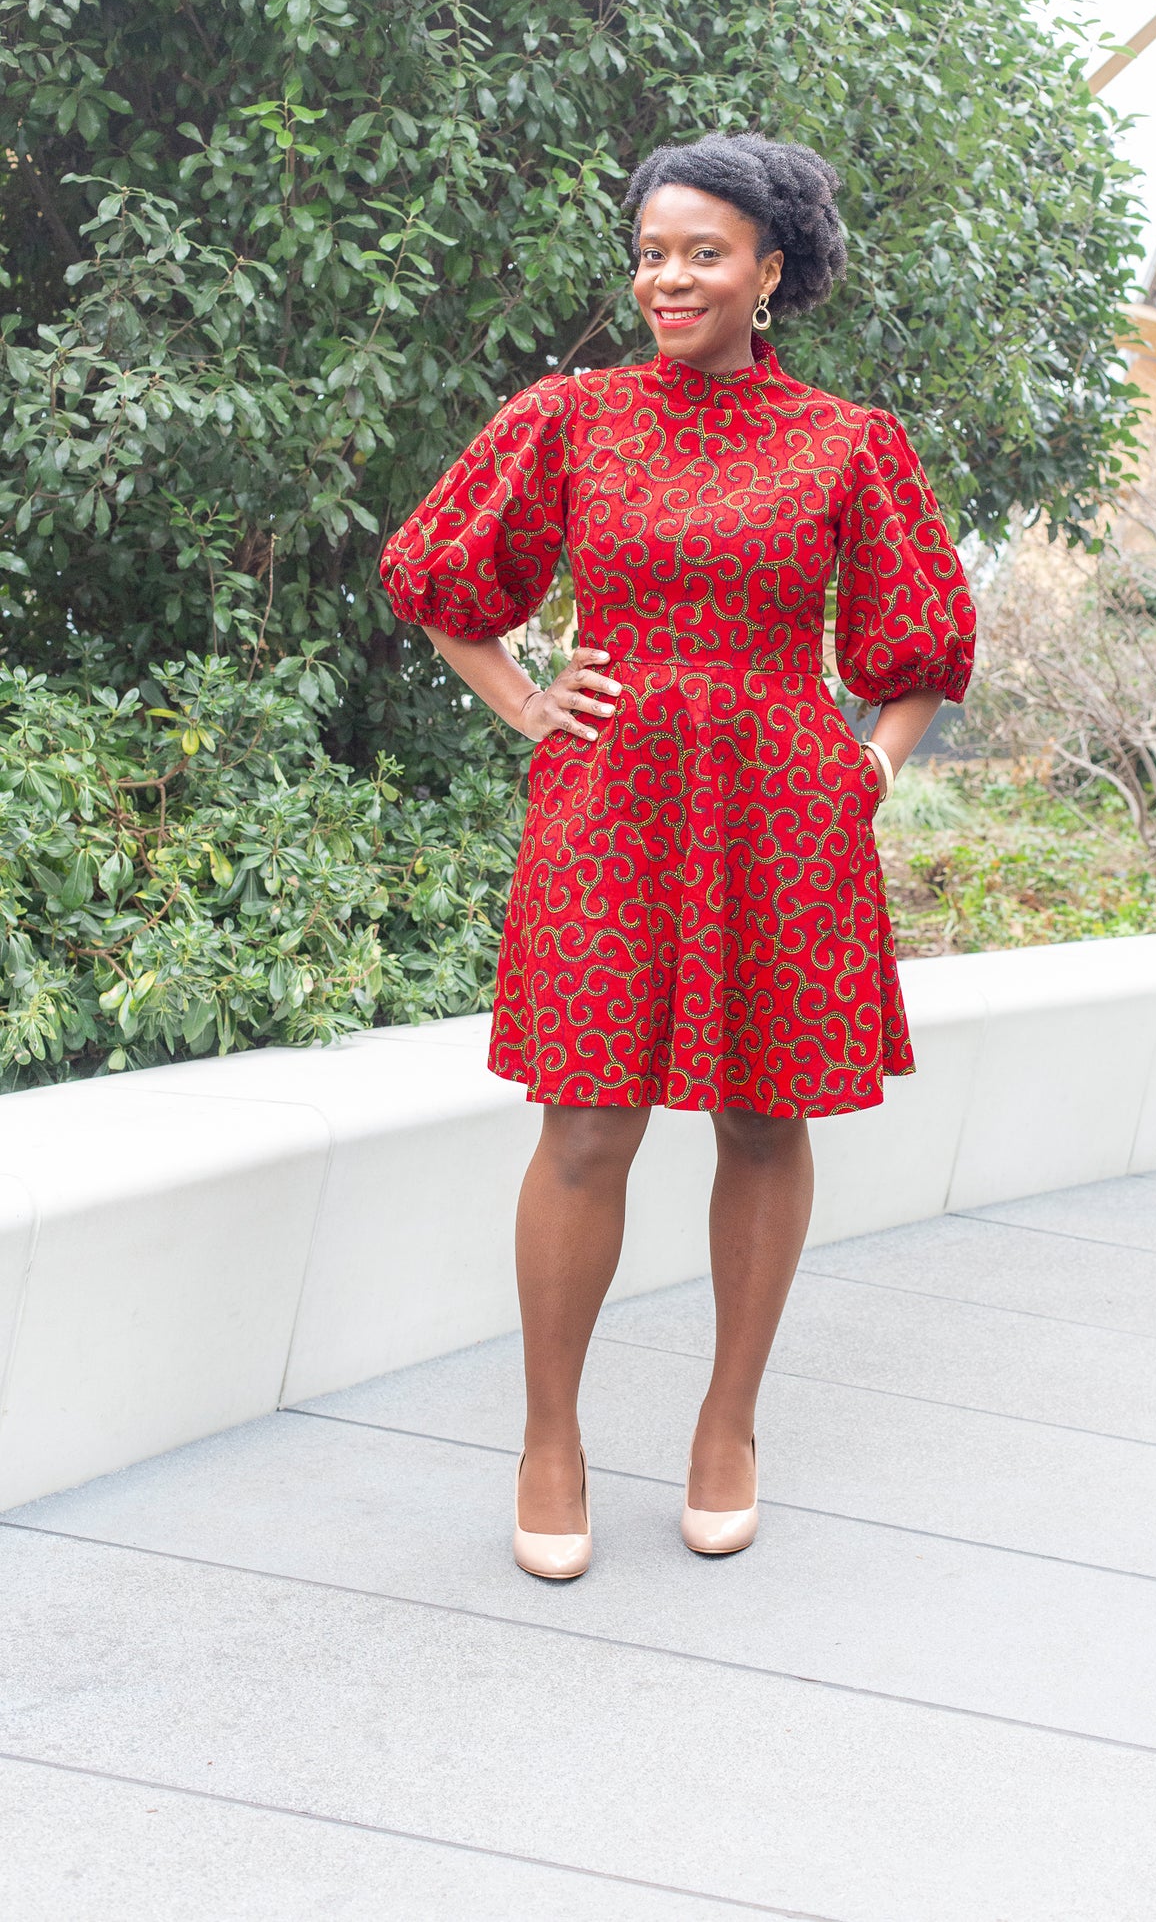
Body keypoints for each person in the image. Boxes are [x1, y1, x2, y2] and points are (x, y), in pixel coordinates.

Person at [380, 132, 975, 1580]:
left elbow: (921, 648)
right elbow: (438, 576)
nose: (666, 277)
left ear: (770, 272)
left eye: (701, 252)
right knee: (585, 1122)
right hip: (610, 803)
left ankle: (727, 1425)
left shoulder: (848, 442)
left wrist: (867, 768)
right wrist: (529, 700)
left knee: (767, 1117)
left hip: (783, 815)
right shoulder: (569, 418)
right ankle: (548, 1440)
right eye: (651, 250)